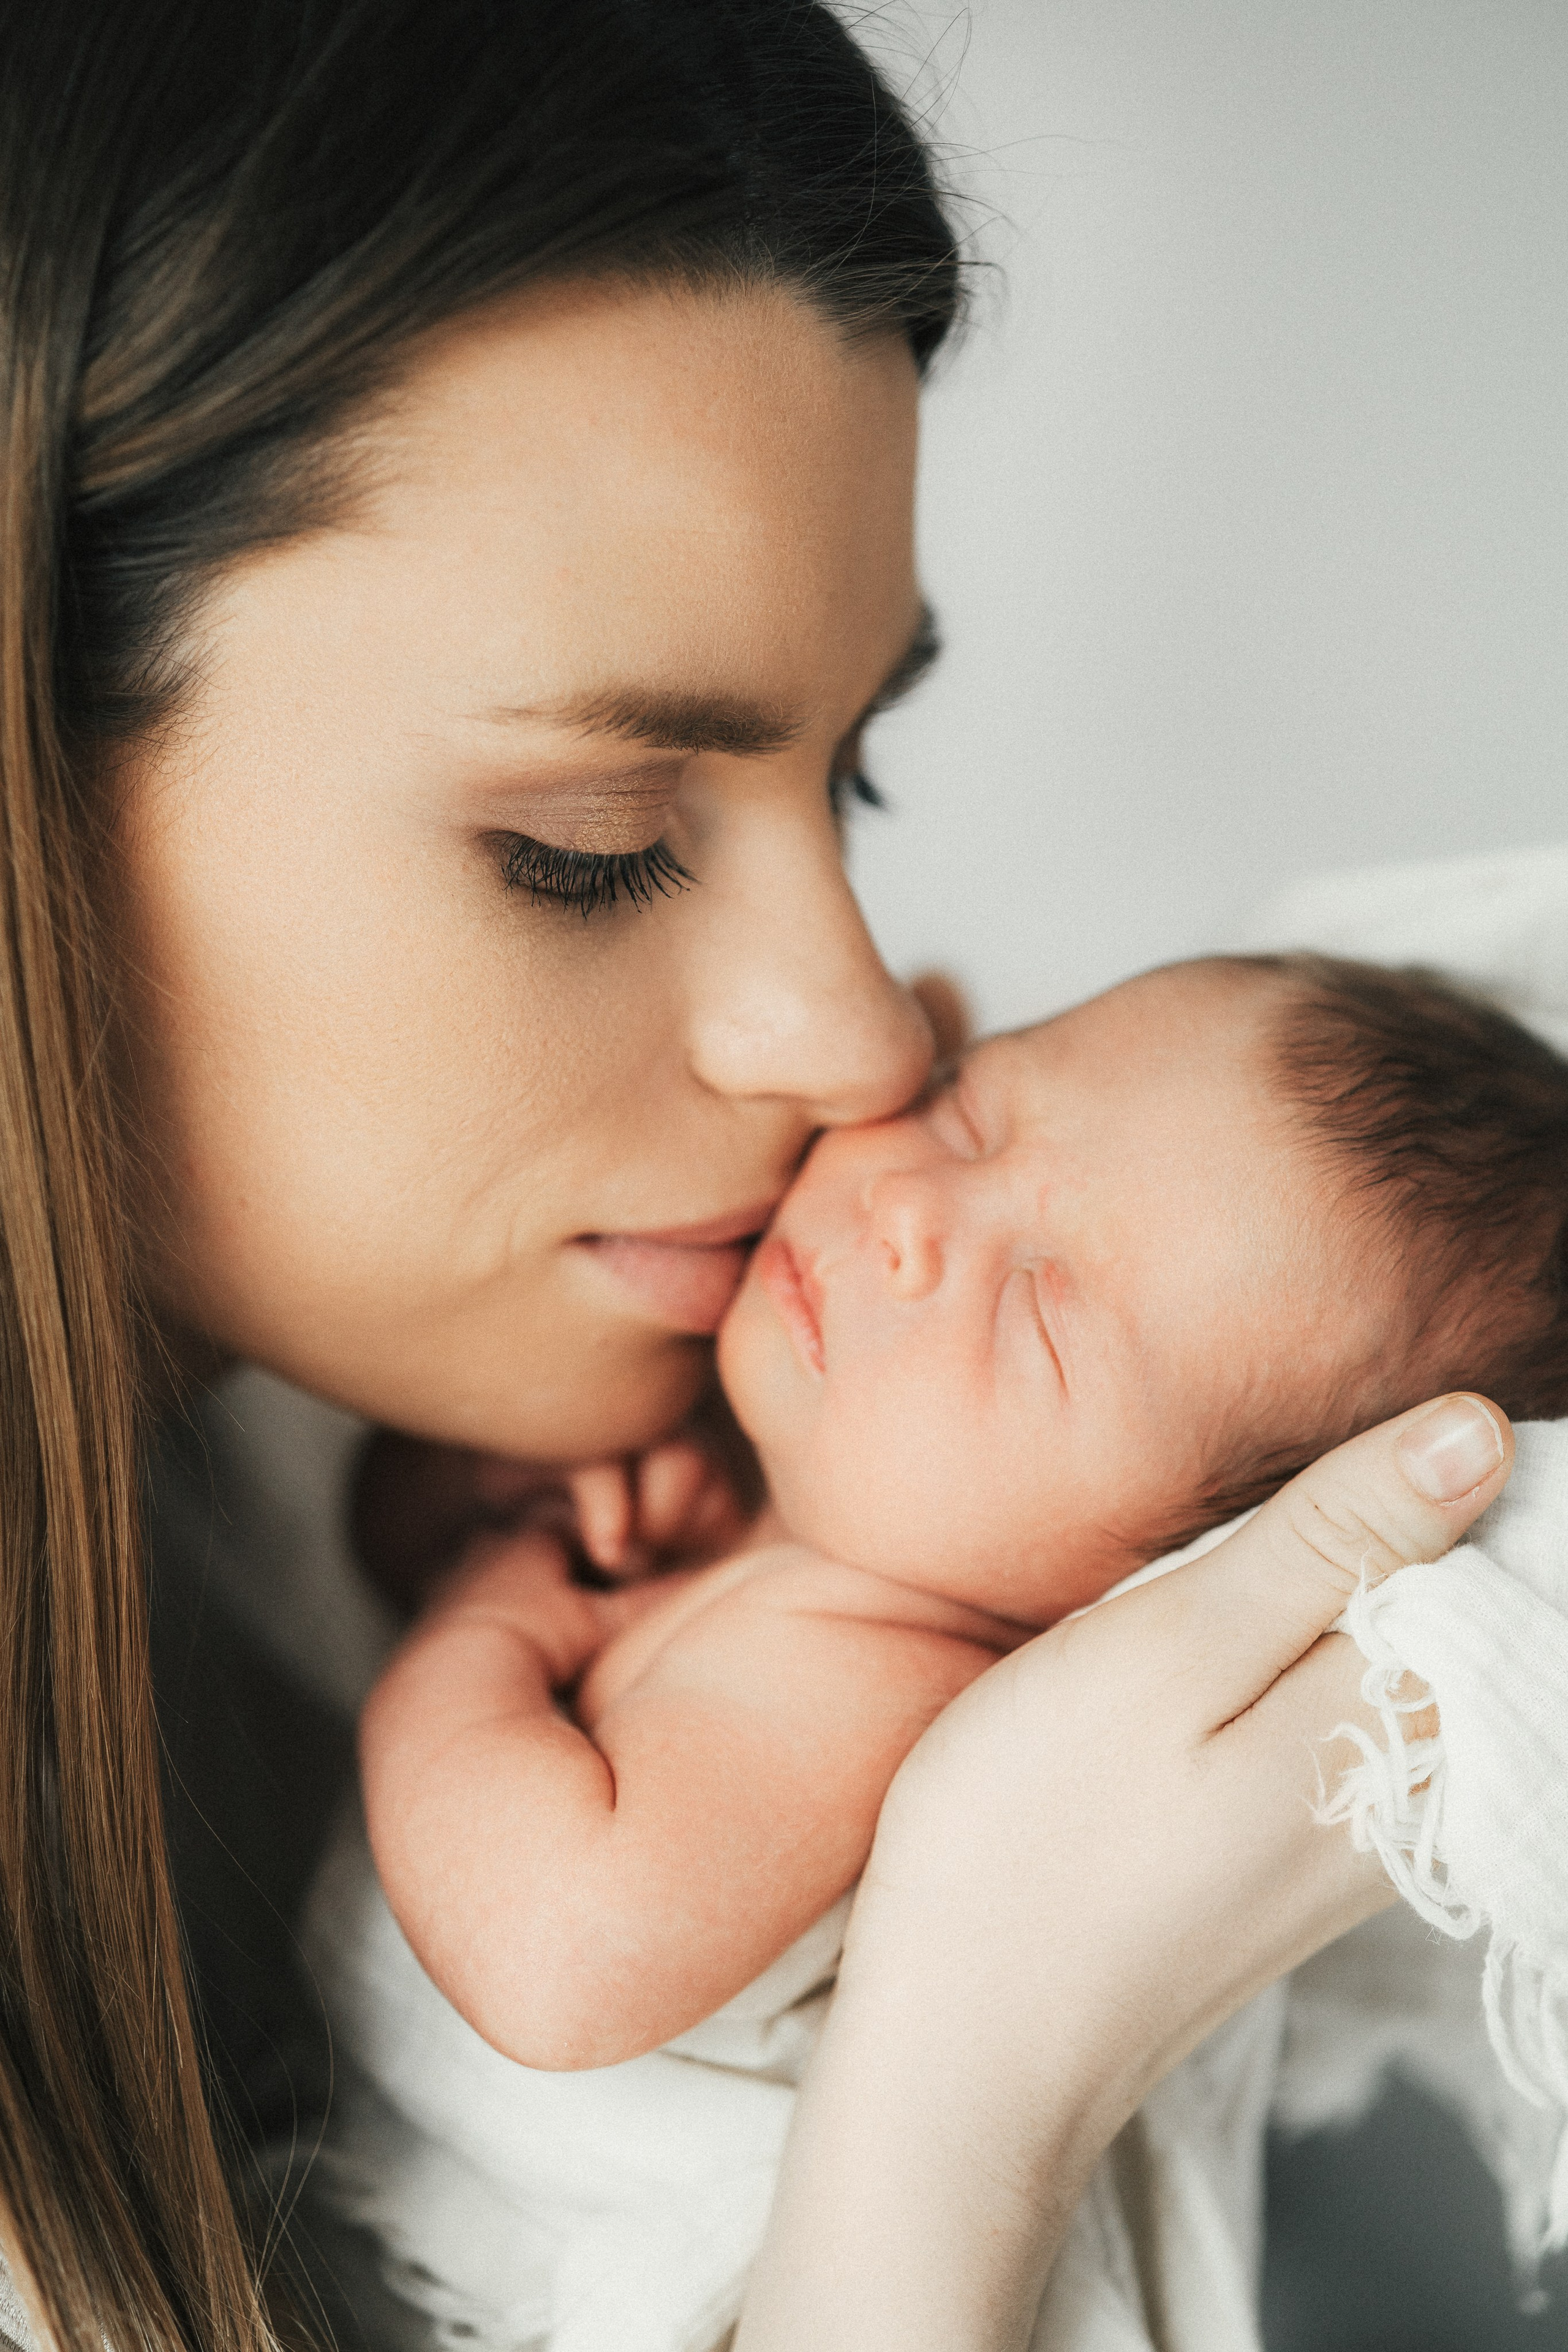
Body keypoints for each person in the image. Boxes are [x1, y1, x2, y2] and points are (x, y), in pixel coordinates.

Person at [0, 4, 1516, 2347]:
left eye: (856, 784)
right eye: (591, 848)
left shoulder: (388, 1492)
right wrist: (963, 2111)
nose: (855, 1031)